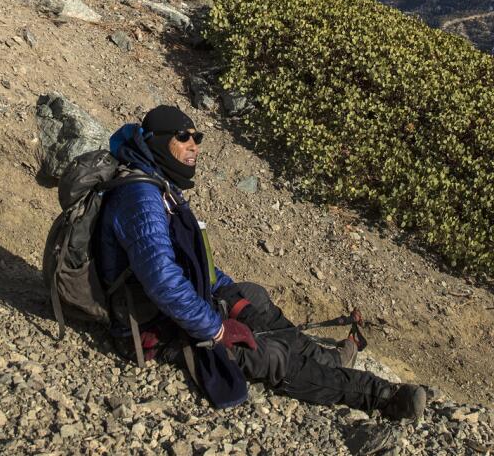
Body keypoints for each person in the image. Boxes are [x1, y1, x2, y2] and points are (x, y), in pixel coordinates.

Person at [95, 104, 428, 421]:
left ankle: (326, 360)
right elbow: (163, 281)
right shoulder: (140, 198)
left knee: (250, 296)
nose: (193, 145)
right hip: (153, 329)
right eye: (183, 137)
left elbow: (193, 260)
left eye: (197, 137)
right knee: (267, 354)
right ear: (156, 141)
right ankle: (382, 396)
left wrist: (228, 293)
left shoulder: (160, 184)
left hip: (174, 310)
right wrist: (217, 328)